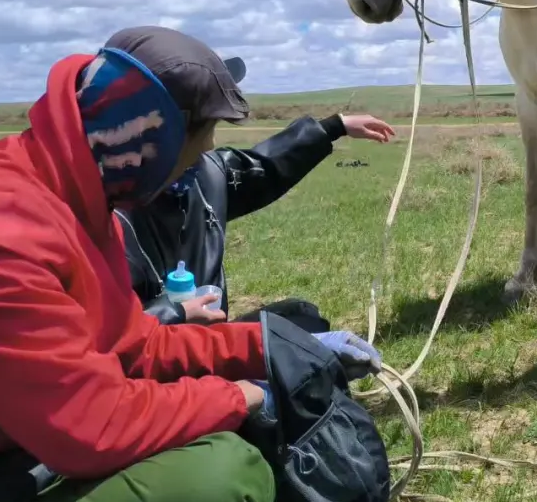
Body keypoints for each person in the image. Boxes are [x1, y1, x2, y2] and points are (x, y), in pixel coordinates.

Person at [0, 26, 382, 502]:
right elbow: (92, 426)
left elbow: (137, 344)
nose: (190, 172)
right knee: (223, 479)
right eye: (190, 154)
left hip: (19, 464)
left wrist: (270, 347)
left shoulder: (72, 197)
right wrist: (242, 395)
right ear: (150, 138)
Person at [115, 46, 395, 330]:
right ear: (168, 131)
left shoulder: (206, 175)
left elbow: (264, 165)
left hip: (211, 341)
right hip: (154, 361)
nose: (210, 145)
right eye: (204, 130)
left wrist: (336, 127)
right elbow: (103, 335)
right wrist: (175, 315)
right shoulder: (109, 217)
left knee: (303, 320)